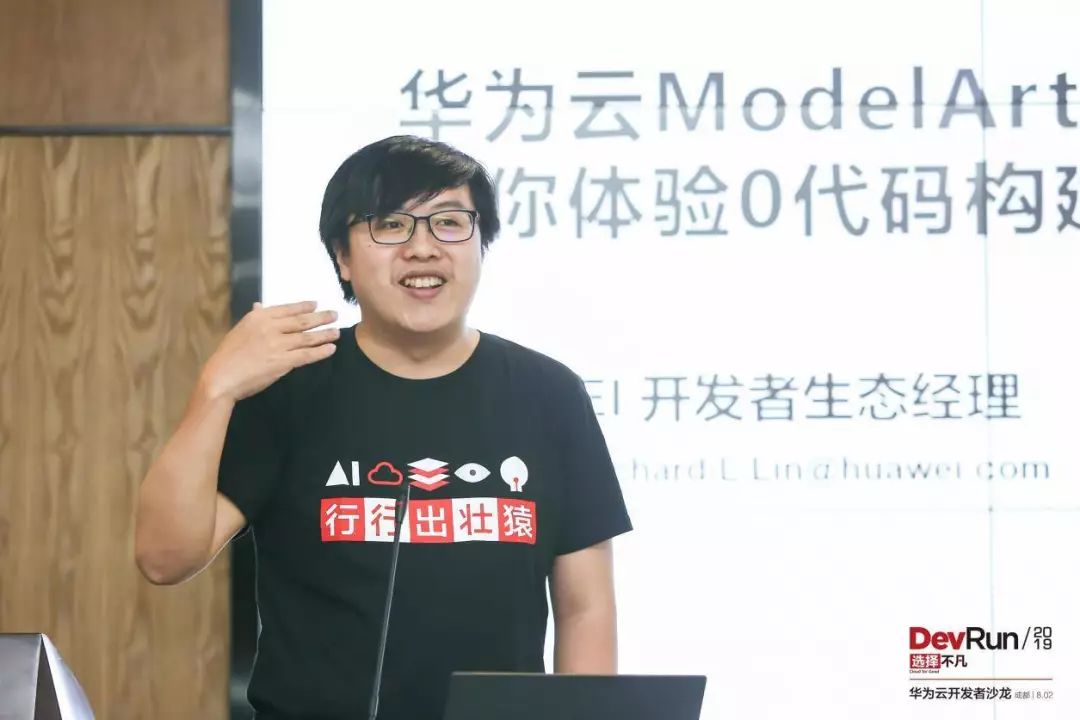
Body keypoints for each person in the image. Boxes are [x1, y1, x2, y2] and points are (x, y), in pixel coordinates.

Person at [134, 135, 632, 720]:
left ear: (481, 245)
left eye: (449, 223)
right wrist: (215, 389)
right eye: (390, 225)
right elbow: (165, 558)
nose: (422, 249)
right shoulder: (289, 390)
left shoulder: (549, 394)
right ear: (342, 258)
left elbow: (584, 607)